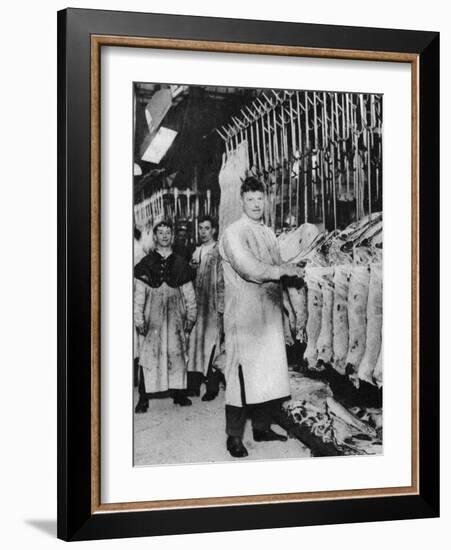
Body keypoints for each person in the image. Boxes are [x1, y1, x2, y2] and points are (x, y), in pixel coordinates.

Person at [219, 177, 305, 458]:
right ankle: (233, 437)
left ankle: (262, 427)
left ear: (265, 200)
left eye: (260, 199)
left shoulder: (268, 233)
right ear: (242, 201)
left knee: (268, 372)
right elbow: (249, 269)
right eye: (251, 199)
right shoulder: (233, 232)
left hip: (268, 313)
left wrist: (290, 308)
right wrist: (283, 270)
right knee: (241, 376)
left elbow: (278, 271)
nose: (256, 204)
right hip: (243, 315)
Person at [134, 220, 197, 412]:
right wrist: (139, 319)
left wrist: (191, 316)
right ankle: (144, 398)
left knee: (177, 353)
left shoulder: (181, 263)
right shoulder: (145, 264)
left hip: (175, 318)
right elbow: (138, 296)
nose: (164, 236)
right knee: (149, 356)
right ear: (154, 237)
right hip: (153, 319)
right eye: (160, 232)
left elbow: (189, 294)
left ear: (172, 236)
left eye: (167, 232)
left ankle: (179, 393)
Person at [187, 215, 225, 401]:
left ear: (214, 230)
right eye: (200, 228)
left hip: (213, 305)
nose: (203, 232)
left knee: (213, 343)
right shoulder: (196, 251)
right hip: (198, 305)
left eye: (206, 228)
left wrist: (222, 306)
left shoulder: (219, 251)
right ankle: (193, 385)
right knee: (195, 344)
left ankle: (212, 386)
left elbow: (223, 280)